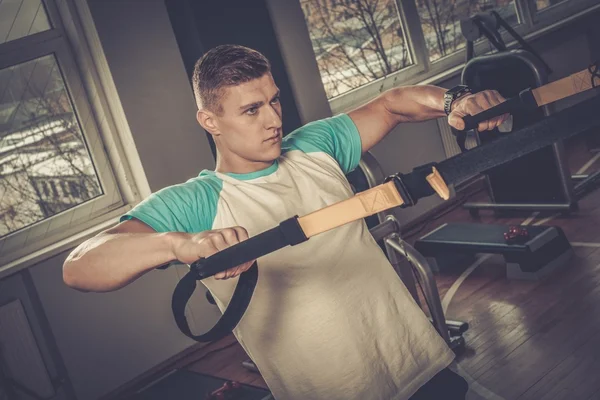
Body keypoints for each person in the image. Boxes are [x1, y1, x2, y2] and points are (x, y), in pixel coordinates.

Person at [63, 44, 507, 400]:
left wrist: (456, 101)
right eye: (252, 110)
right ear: (209, 121)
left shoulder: (315, 145)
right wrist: (179, 245)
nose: (274, 119)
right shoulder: (196, 202)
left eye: (274, 101)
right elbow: (80, 266)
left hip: (419, 362)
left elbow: (392, 105)